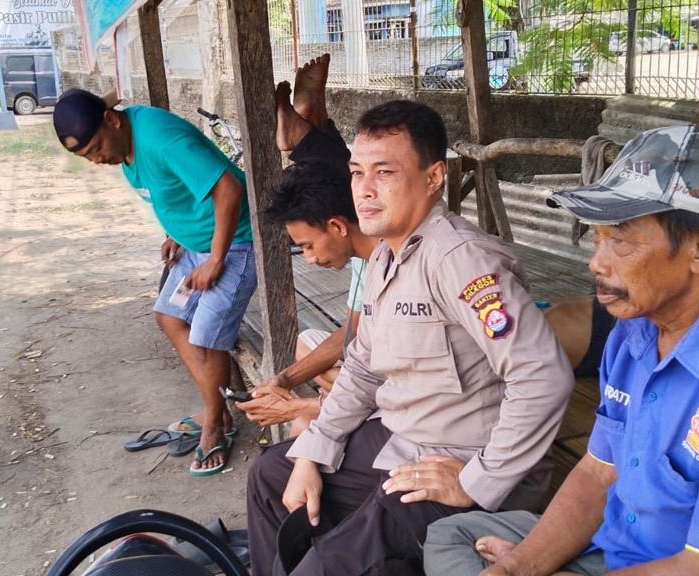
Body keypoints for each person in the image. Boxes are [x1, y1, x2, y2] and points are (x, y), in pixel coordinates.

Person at [423, 125, 699, 576]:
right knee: (450, 535)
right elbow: (598, 472)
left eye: (620, 239)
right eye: (596, 237)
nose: (597, 262)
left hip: (695, 568)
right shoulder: (634, 335)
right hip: (614, 547)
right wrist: (521, 566)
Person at [246, 100, 575, 576]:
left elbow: (543, 376)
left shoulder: (461, 260)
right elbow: (361, 369)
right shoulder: (385, 257)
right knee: (271, 475)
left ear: (433, 177)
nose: (364, 189)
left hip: (461, 457)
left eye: (384, 173)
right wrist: (314, 448)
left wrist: (478, 480)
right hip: (403, 438)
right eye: (357, 173)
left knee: (331, 562)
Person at [52, 89, 255, 477]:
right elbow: (173, 188)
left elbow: (229, 187)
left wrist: (216, 259)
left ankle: (215, 423)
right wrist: (175, 232)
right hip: (196, 244)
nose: (96, 160)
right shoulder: (124, 143)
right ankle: (217, 409)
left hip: (237, 242)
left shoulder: (159, 138)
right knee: (169, 316)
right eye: (86, 157)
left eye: (95, 149)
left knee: (206, 336)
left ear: (112, 120)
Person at [237, 54, 376, 435]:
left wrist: (304, 405)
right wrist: (283, 379)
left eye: (309, 246)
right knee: (307, 344)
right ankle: (310, 126)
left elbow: (406, 383)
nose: (309, 260)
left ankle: (308, 128)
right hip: (375, 367)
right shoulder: (364, 253)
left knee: (304, 424)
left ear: (337, 226)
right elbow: (353, 329)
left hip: (408, 391)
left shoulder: (394, 259)